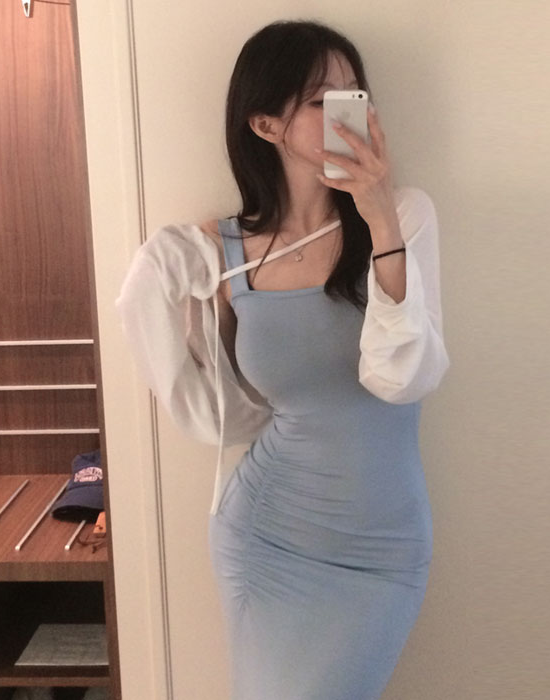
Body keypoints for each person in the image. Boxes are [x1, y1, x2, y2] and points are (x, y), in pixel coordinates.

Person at [116, 18, 450, 700]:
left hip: (383, 547)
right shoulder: (225, 251)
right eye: (323, 99)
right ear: (267, 125)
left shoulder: (405, 217)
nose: (350, 112)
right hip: (269, 534)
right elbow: (141, 295)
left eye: (356, 93)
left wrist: (379, 218)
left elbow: (403, 379)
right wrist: (228, 418)